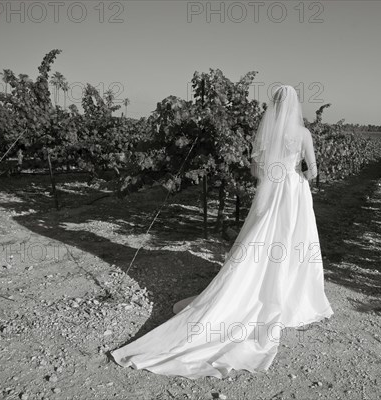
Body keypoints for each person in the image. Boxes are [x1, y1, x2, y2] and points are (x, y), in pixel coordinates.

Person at [110, 85, 334, 379]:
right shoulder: (304, 134)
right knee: (294, 241)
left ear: (275, 106)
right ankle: (290, 296)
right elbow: (313, 171)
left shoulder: (268, 132)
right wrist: (297, 177)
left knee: (260, 239)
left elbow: (257, 171)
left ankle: (249, 288)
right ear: (295, 106)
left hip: (272, 191)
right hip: (293, 193)